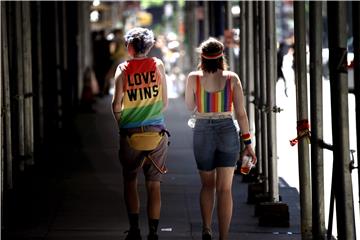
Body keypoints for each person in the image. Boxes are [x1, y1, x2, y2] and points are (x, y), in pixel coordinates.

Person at [185, 37, 257, 240]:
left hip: (202, 131)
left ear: (202, 57)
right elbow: (241, 114)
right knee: (225, 189)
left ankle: (206, 228)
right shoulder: (232, 79)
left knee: (207, 185)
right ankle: (223, 237)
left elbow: (190, 106)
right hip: (227, 130)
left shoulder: (193, 78)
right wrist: (248, 144)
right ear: (221, 57)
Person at [112, 27, 169, 240]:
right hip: (157, 134)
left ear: (129, 46)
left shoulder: (123, 69)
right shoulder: (158, 65)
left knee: (130, 181)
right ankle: (153, 233)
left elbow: (116, 104)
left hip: (130, 135)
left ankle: (134, 230)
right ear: (149, 46)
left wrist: (122, 125)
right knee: (154, 185)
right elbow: (164, 102)